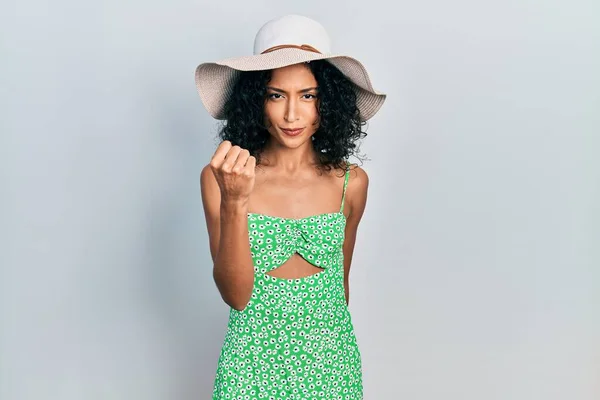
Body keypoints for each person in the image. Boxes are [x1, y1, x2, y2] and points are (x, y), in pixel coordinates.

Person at [195, 14, 386, 400]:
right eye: (276, 95)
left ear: (327, 101)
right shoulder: (221, 178)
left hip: (331, 367)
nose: (292, 115)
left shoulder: (352, 184)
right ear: (256, 101)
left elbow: (339, 291)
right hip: (249, 368)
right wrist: (235, 200)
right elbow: (235, 296)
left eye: (308, 95)